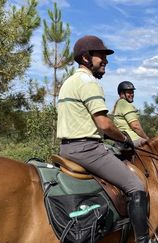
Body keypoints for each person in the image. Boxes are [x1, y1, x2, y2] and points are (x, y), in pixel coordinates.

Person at [56, 35, 149, 243]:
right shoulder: (88, 83)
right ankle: (143, 240)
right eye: (101, 56)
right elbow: (104, 124)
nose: (105, 61)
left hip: (66, 149)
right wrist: (125, 138)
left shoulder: (69, 82)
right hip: (88, 150)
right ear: (86, 58)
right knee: (136, 186)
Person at [112, 81, 149, 147]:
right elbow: (136, 126)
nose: (132, 94)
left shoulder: (119, 103)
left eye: (132, 92)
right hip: (132, 139)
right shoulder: (125, 104)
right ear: (121, 94)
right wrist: (146, 138)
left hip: (124, 139)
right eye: (129, 92)